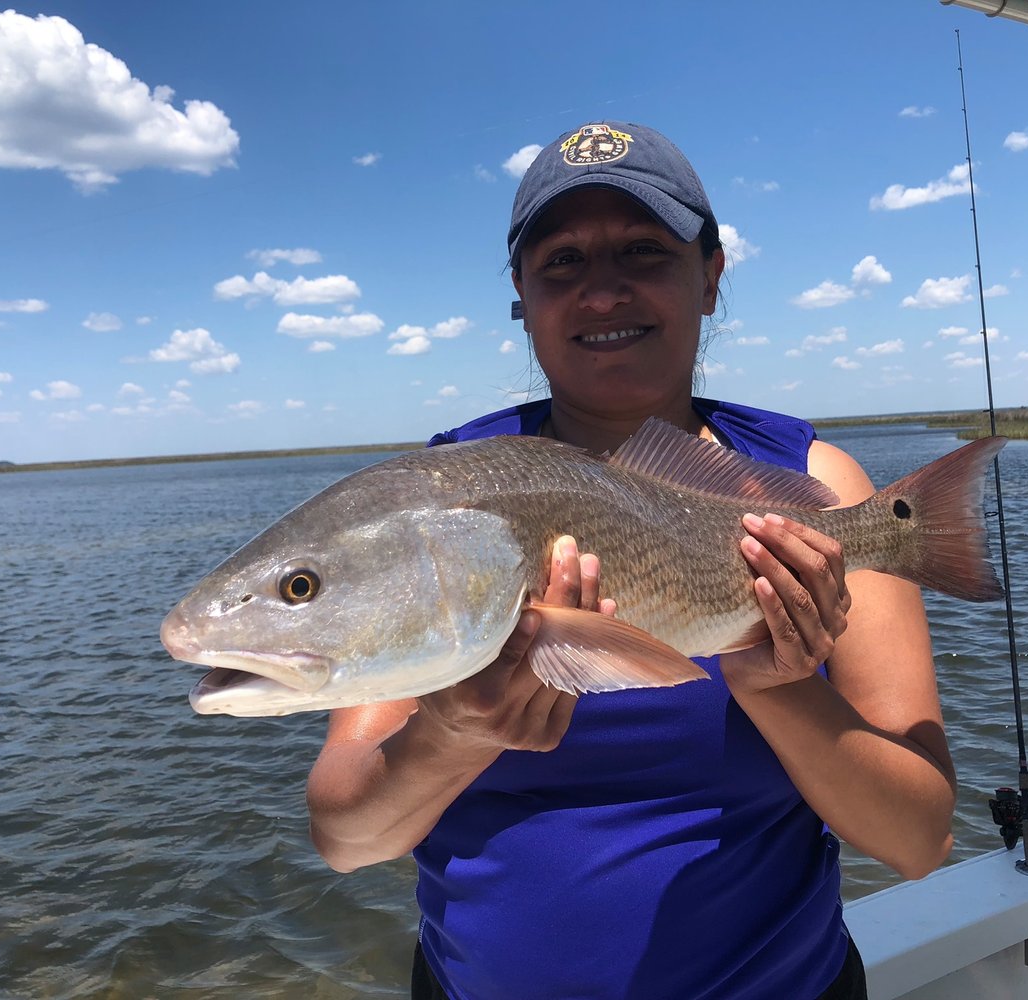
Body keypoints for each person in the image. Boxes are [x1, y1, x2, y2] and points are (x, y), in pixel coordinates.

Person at [306, 120, 956, 1000]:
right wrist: (454, 732)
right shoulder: (440, 504)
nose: (602, 292)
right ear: (521, 294)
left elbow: (919, 843)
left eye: (643, 250)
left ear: (710, 274)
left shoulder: (815, 485)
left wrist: (773, 682)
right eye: (562, 262)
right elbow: (348, 838)